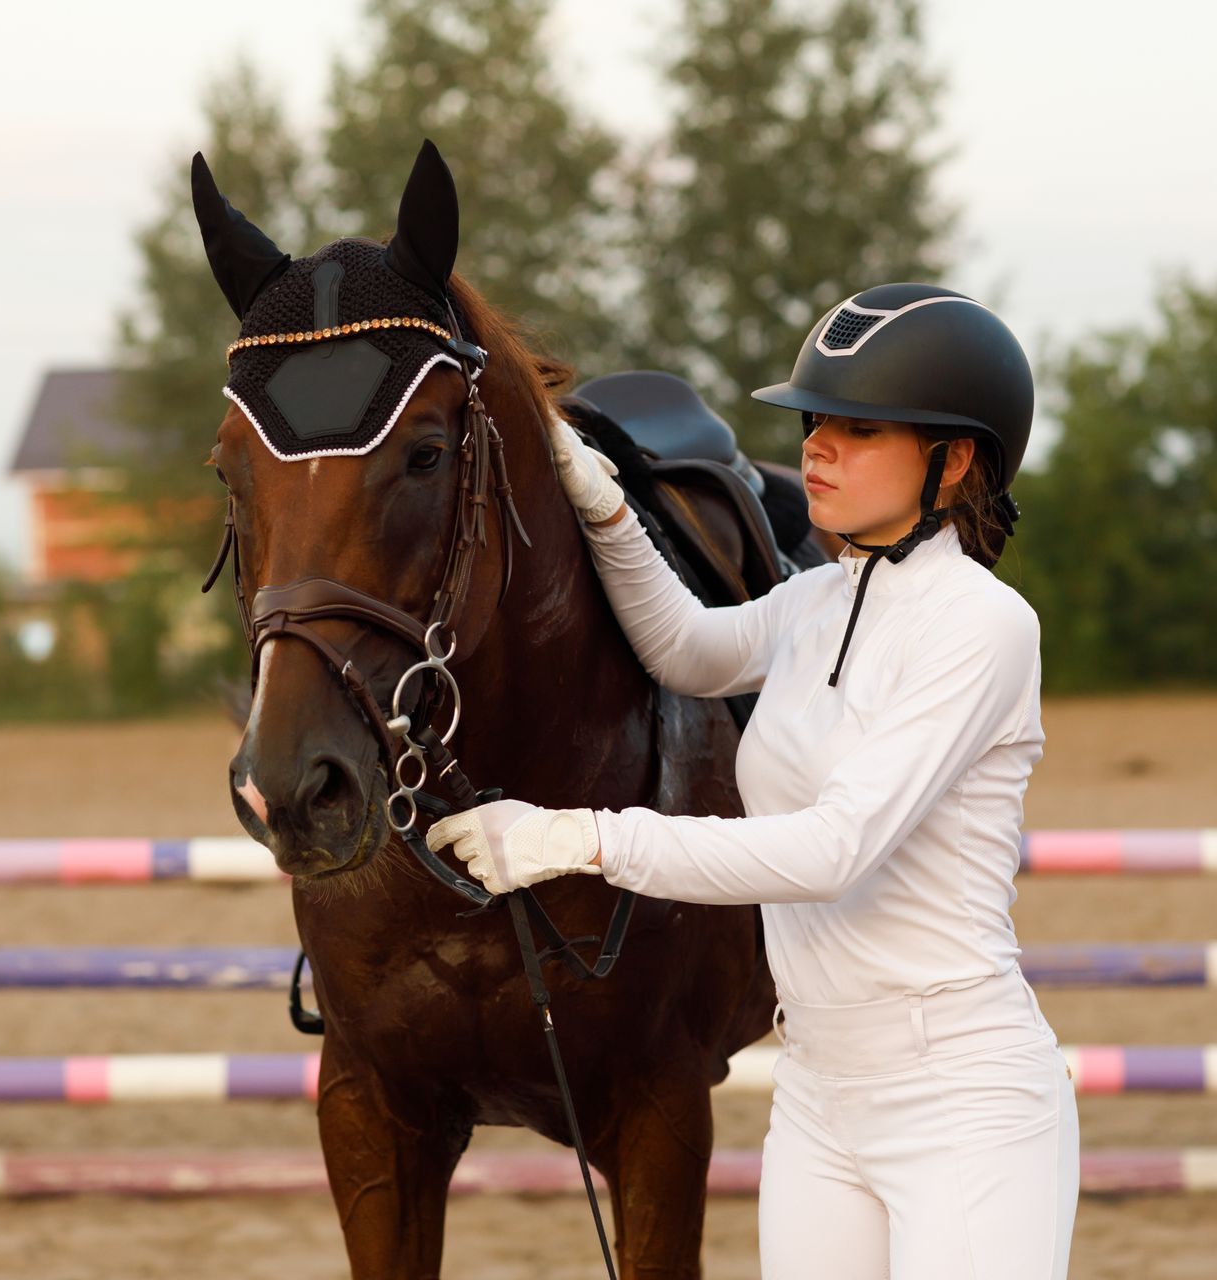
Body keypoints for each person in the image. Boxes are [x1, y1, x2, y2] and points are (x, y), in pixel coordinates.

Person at [429, 283, 1079, 1279]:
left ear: (953, 462)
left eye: (859, 429)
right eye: (817, 421)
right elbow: (687, 648)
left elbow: (832, 849)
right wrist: (599, 497)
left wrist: (572, 838)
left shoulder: (984, 624)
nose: (817, 446)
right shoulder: (819, 597)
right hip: (818, 1088)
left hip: (963, 1098)